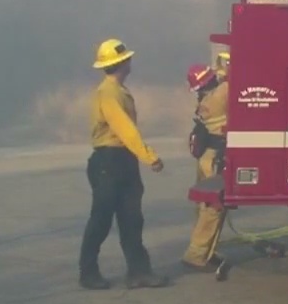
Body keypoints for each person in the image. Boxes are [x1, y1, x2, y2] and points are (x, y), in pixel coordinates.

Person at [78, 38, 170, 290]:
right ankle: (88, 273)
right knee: (101, 219)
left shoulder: (118, 91)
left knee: (131, 219)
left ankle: (139, 272)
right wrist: (149, 155)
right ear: (123, 62)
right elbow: (125, 129)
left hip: (122, 160)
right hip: (109, 161)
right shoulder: (109, 93)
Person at [182, 63, 229, 273]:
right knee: (213, 208)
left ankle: (205, 252)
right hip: (214, 159)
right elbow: (235, 81)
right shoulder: (220, 95)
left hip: (206, 157)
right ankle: (197, 255)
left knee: (204, 207)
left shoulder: (205, 99)